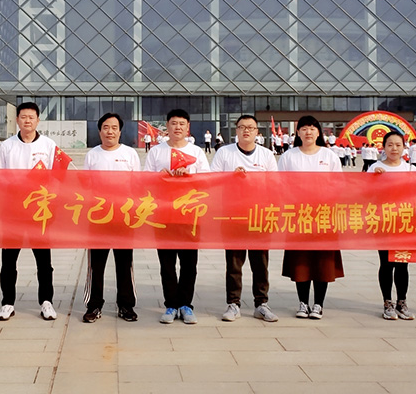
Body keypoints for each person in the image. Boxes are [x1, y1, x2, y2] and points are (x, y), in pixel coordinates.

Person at [144, 108, 211, 324]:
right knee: (167, 263)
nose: (178, 127)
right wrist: (161, 177)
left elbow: (207, 181)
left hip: (190, 215)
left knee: (189, 263)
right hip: (164, 214)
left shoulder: (197, 152)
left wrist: (189, 176)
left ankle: (186, 305)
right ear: (167, 126)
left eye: (182, 123)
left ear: (188, 127)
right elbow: (146, 181)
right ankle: (171, 305)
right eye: (174, 123)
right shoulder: (156, 152)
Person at [0, 102, 58, 321]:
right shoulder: (7, 146)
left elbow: (57, 175)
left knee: (44, 261)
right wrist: (15, 185)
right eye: (23, 117)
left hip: (40, 210)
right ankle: (7, 303)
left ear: (38, 120)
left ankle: (46, 301)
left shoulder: (48, 145)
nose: (27, 120)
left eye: (31, 117)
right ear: (17, 120)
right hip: (13, 210)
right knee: (8, 260)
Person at [212, 115, 279, 323]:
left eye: (250, 127)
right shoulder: (224, 153)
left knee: (260, 263)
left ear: (257, 132)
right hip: (233, 214)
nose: (246, 131)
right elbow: (212, 180)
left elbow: (275, 184)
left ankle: (261, 303)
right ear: (236, 131)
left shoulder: (266, 155)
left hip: (260, 215)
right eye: (242, 127)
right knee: (234, 262)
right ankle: (233, 303)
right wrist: (230, 177)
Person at [278, 115, 343, 320]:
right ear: (297, 132)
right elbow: (280, 184)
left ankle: (318, 304)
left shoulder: (329, 155)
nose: (308, 132)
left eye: (312, 128)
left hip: (324, 215)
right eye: (304, 128)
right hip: (299, 215)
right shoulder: (289, 156)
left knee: (323, 261)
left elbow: (339, 184)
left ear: (318, 132)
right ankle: (303, 302)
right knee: (301, 261)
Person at [82, 113, 140, 323]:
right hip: (98, 217)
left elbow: (137, 185)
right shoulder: (92, 155)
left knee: (124, 263)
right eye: (106, 127)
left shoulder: (130, 154)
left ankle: (126, 305)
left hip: (123, 217)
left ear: (120, 131)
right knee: (96, 265)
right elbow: (86, 185)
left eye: (114, 128)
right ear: (100, 131)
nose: (110, 132)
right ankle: (94, 305)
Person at [368, 131, 416, 321]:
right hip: (384, 222)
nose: (394, 148)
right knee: (386, 263)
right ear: (383, 147)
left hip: (406, 223)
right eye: (390, 144)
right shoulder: (375, 168)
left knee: (403, 264)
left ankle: (401, 302)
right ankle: (387, 302)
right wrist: (374, 179)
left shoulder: (411, 169)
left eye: (398, 145)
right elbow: (365, 193)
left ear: (404, 147)